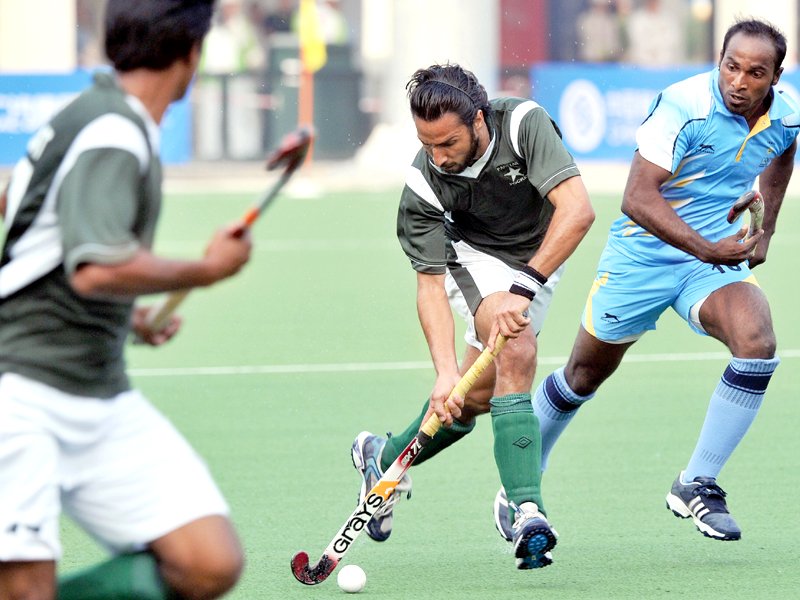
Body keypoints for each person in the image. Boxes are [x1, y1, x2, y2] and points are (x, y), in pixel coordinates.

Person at [503, 18, 797, 543]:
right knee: (582, 377)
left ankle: (697, 482)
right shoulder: (683, 106)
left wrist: (767, 228)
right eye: (731, 66)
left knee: (758, 340)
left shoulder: (787, 113)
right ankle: (520, 488)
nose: (739, 81)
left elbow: (784, 152)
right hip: (642, 258)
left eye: (755, 73)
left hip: (709, 259)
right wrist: (708, 247)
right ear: (719, 61)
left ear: (775, 78)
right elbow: (636, 198)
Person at [0, 1, 253, 599]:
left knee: (207, 561)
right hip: (21, 390)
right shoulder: (115, 129)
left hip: (96, 391)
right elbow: (92, 269)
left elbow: (31, 220)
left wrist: (125, 312)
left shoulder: (98, 112)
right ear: (192, 51)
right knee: (24, 588)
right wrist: (208, 269)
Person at [351, 63, 595, 570]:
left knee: (473, 399)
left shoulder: (525, 123)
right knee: (517, 349)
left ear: (479, 120)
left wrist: (524, 286)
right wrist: (443, 371)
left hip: (542, 255)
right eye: (427, 143)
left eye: (448, 143)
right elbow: (430, 286)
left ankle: (383, 456)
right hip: (474, 258)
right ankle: (527, 508)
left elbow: (577, 211)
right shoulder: (424, 184)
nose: (437, 157)